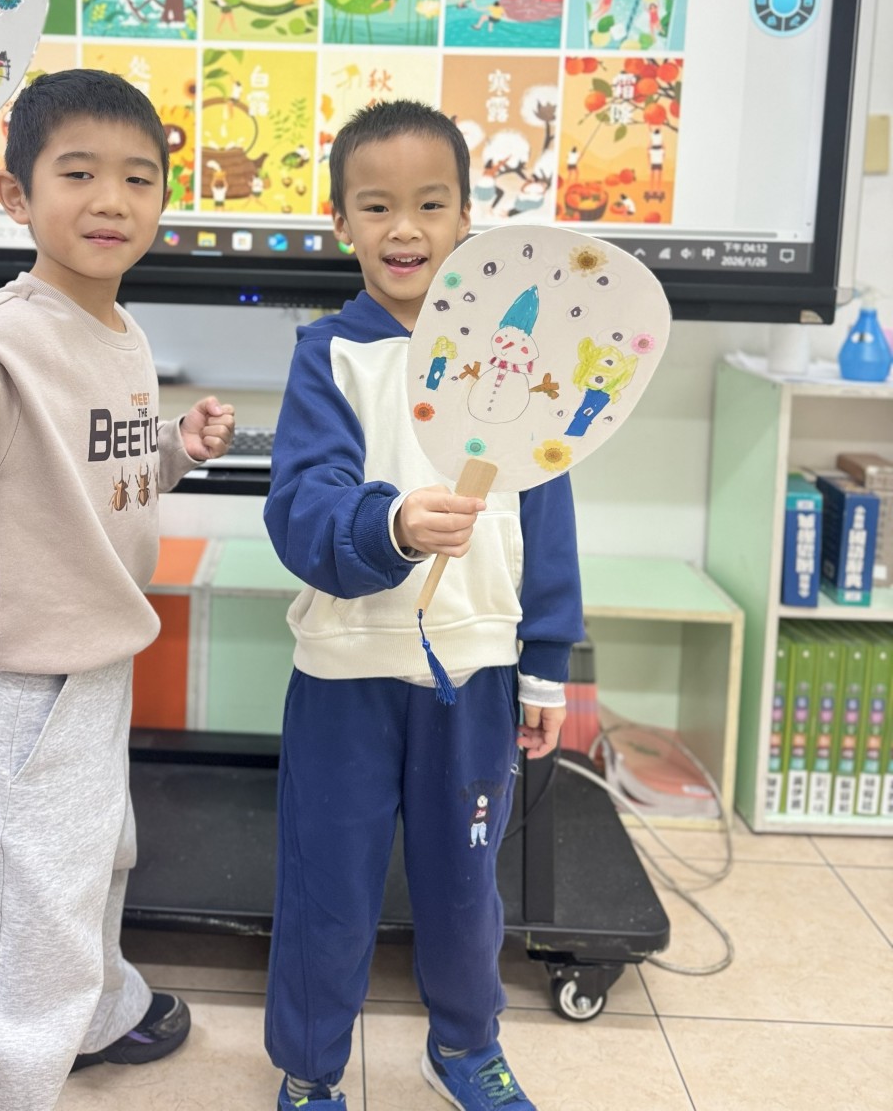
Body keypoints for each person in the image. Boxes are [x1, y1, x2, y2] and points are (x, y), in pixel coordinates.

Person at [0, 69, 235, 1111]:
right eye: (79, 174)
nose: (112, 199)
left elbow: (93, 469)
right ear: (16, 196)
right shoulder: (2, 336)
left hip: (94, 667)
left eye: (139, 178)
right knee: (3, 921)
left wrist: (173, 446)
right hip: (15, 690)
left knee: (92, 865)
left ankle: (96, 1013)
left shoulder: (121, 330)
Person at [263, 100, 581, 1111]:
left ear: (468, 219)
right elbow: (301, 506)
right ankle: (310, 1067)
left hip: (475, 678)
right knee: (327, 885)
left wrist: (546, 667)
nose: (405, 228)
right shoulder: (329, 354)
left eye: (431, 204)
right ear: (340, 222)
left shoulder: (519, 359)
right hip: (345, 675)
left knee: (463, 885)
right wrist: (391, 524)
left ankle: (466, 1044)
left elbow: (550, 518)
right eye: (377, 206)